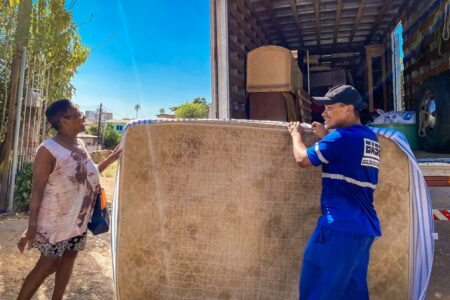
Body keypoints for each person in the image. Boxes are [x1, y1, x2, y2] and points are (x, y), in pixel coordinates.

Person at [17, 99, 121, 300]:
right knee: (48, 264)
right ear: (64, 120)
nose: (83, 117)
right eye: (78, 113)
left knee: (70, 257)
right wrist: (31, 227)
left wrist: (111, 158)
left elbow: (89, 173)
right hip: (55, 221)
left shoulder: (80, 144)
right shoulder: (47, 150)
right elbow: (37, 191)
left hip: (77, 219)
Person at [287, 85, 381, 300]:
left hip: (338, 227)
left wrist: (296, 135)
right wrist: (326, 135)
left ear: (348, 109)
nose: (323, 112)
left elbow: (303, 159)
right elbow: (346, 161)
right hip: (363, 230)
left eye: (330, 107)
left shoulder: (340, 138)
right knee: (352, 292)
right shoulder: (369, 138)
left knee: (318, 290)